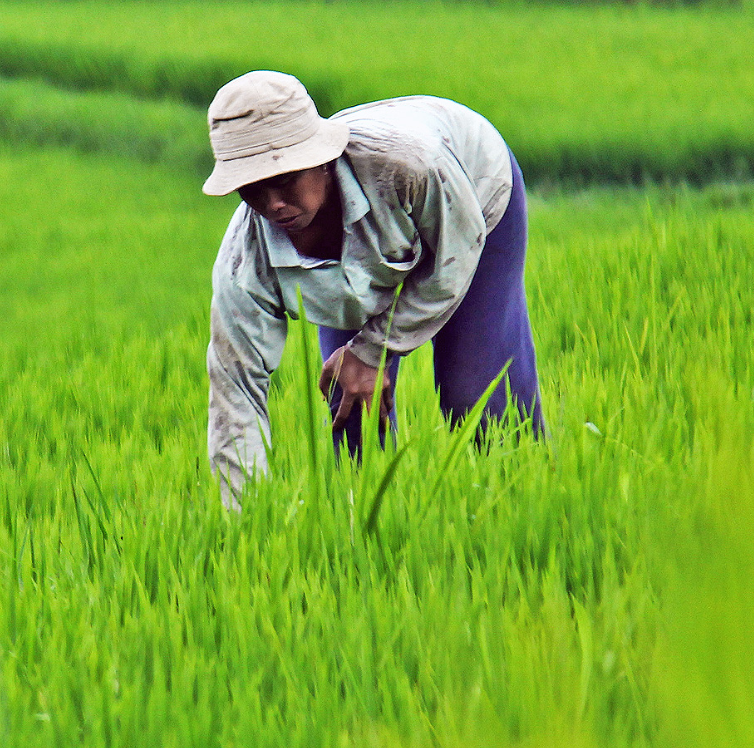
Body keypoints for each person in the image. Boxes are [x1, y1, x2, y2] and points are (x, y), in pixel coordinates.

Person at [202, 71, 544, 507]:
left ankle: (527, 503)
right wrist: (245, 521)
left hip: (470, 196)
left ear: (321, 159)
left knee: (474, 394)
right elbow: (236, 391)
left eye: (285, 179)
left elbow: (451, 264)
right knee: (352, 410)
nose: (272, 204)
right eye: (250, 188)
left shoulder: (412, 168)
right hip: (386, 235)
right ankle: (375, 536)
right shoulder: (244, 262)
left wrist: (373, 349)